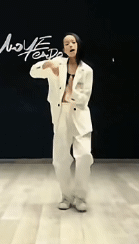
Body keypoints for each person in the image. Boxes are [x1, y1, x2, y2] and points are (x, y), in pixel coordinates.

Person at [30, 33, 94, 212]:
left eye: (73, 42)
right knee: (60, 160)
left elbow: (84, 99)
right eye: (66, 43)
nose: (70, 45)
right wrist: (46, 64)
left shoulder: (87, 70)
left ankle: (80, 197)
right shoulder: (57, 63)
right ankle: (66, 196)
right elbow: (33, 72)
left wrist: (71, 91)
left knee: (84, 156)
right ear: (63, 48)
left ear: (78, 45)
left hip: (80, 116)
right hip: (61, 116)